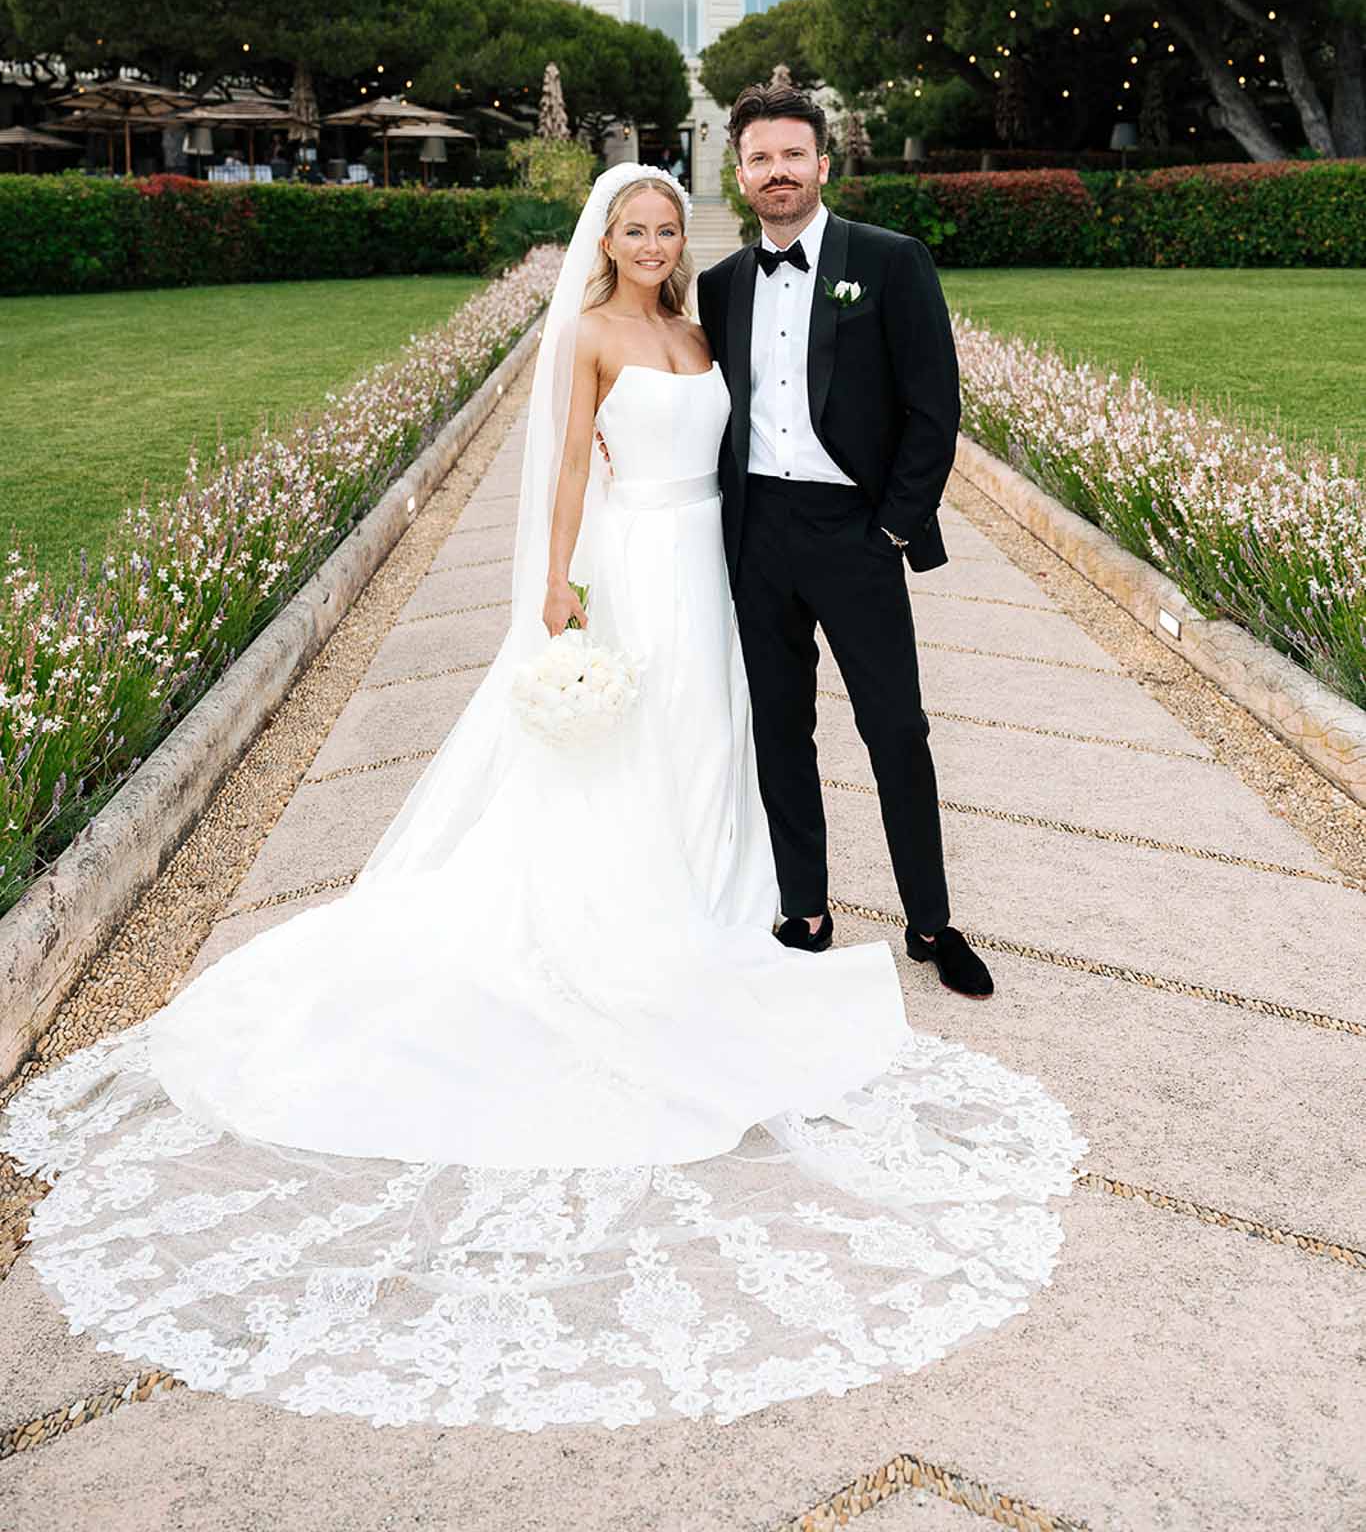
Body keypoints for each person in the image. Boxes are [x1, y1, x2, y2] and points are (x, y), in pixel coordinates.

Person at [0, 161, 1084, 1436]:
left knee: (754, 732)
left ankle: (862, 910)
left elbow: (888, 401)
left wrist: (891, 525)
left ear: (696, 230)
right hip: (636, 555)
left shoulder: (706, 314)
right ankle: (688, 910)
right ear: (606, 237)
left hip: (725, 557)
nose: (649, 238)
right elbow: (568, 464)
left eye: (665, 224)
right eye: (631, 225)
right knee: (654, 742)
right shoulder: (592, 329)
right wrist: (558, 584)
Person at [697, 80, 993, 998]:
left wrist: (895, 528)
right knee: (781, 728)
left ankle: (932, 922)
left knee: (896, 729)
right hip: (757, 538)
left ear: (823, 164)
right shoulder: (718, 287)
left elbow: (932, 408)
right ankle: (804, 908)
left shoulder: (889, 260)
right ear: (739, 173)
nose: (776, 171)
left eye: (792, 155)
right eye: (759, 158)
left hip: (857, 533)